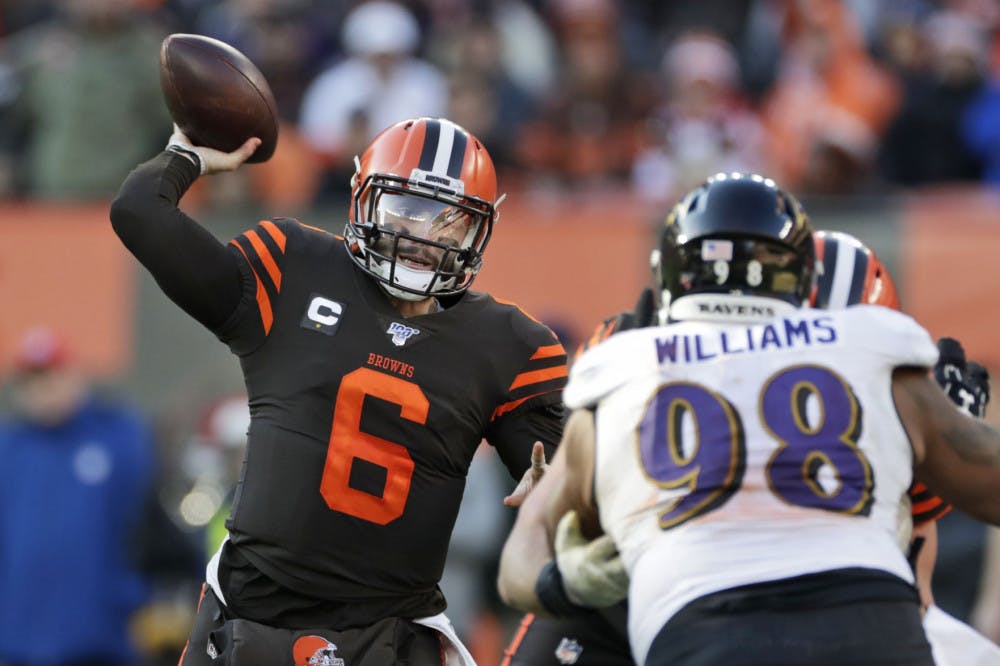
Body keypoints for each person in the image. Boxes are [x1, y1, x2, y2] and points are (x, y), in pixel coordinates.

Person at [109, 116, 567, 665]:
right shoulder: (293, 266)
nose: (424, 238)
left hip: (392, 634)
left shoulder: (510, 345)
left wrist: (562, 483)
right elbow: (139, 213)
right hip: (254, 613)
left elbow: (566, 479)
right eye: (408, 210)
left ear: (480, 232)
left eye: (452, 223)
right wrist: (187, 154)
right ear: (362, 197)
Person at [497, 172, 1000, 665]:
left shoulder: (626, 360)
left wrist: (563, 581)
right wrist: (929, 435)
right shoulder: (873, 348)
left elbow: (522, 556)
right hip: (867, 614)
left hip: (702, 622)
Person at [0, 326, 156, 666]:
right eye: (31, 380)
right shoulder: (8, 449)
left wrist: (133, 597)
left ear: (74, 375)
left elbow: (145, 525)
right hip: (17, 635)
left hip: (99, 635)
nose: (43, 389)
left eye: (51, 375)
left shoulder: (115, 437)